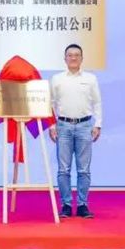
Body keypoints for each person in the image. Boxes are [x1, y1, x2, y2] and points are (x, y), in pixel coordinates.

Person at [48, 44, 103, 219]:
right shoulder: (56, 79)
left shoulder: (91, 79)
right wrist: (51, 125)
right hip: (63, 126)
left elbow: (97, 103)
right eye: (70, 55)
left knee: (84, 170)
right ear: (65, 59)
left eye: (77, 55)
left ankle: (82, 205)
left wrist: (98, 124)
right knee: (63, 169)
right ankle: (65, 205)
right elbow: (50, 104)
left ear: (81, 58)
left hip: (85, 126)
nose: (73, 58)